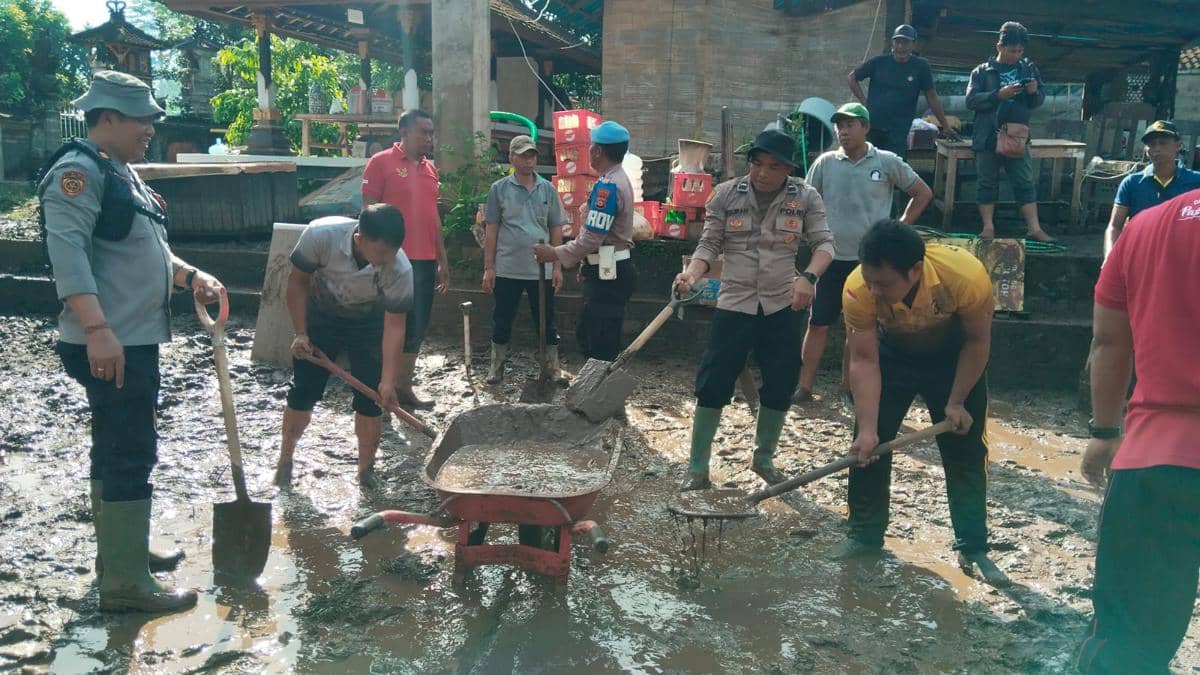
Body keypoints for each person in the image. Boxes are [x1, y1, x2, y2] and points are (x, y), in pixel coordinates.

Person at [39, 71, 225, 613]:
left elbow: (149, 248)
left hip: (131, 338)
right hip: (109, 340)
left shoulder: (119, 171)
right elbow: (67, 255)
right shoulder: (77, 173)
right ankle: (123, 582)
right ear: (109, 118)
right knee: (131, 449)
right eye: (141, 118)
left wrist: (190, 277)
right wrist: (97, 331)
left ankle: (121, 552)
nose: (150, 127)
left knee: (117, 443)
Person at [834, 220, 1008, 586]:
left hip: (953, 357)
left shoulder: (964, 275)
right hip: (892, 356)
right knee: (868, 447)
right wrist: (867, 429)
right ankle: (864, 534)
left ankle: (973, 544)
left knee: (965, 450)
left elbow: (978, 342)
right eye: (871, 282)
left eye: (884, 284)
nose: (875, 291)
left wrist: (957, 400)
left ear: (915, 270)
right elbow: (863, 360)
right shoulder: (857, 290)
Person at [1075, 188, 1200, 673]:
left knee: (1128, 640)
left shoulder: (1145, 227)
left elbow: (1108, 341)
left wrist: (1104, 430)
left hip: (1157, 458)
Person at [675, 130, 835, 490]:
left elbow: (825, 244)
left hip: (782, 303)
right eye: (758, 164)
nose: (763, 173)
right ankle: (697, 467)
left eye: (774, 166)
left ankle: (763, 459)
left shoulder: (806, 196)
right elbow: (709, 244)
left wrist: (808, 277)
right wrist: (691, 274)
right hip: (734, 303)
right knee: (713, 381)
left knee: (780, 382)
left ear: (788, 169)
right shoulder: (727, 194)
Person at [795, 102, 932, 403]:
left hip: (868, 265)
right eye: (839, 126)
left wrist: (899, 228)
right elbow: (805, 201)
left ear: (865, 128)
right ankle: (803, 386)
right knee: (817, 323)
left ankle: (850, 387)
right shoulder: (825, 163)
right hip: (829, 257)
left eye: (850, 125)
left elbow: (922, 193)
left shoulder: (886, 162)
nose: (843, 131)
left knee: (858, 327)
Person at [273, 205, 414, 489]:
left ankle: (366, 471)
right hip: (321, 315)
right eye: (381, 253)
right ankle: (285, 460)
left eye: (392, 253)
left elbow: (395, 325)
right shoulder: (320, 236)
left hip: (368, 324)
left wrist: (388, 382)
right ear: (359, 239)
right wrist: (300, 333)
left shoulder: (400, 268)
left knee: (372, 399)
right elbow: (297, 282)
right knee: (303, 391)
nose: (386, 260)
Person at [361, 108, 449, 408]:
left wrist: (442, 259)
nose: (428, 138)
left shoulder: (430, 170)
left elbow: (433, 216)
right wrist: (370, 257)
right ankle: (378, 391)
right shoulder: (381, 163)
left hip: (424, 260)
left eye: (431, 133)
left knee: (417, 325)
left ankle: (403, 388)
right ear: (404, 132)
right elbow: (368, 212)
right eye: (423, 132)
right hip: (390, 259)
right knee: (383, 325)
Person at [533, 121, 637, 362]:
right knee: (593, 332)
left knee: (600, 341)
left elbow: (592, 237)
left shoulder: (608, 188)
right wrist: (586, 263)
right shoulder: (616, 180)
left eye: (592, 147)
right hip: (605, 268)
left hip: (609, 274)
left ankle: (600, 394)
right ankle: (599, 390)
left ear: (599, 151)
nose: (589, 151)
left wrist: (555, 253)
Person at [482, 135, 569, 384]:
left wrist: (557, 266)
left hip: (540, 268)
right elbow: (492, 229)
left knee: (546, 319)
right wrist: (489, 267)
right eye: (523, 154)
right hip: (508, 266)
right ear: (511, 158)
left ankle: (551, 367)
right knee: (502, 318)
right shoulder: (499, 189)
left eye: (532, 154)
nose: (528, 159)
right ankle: (496, 366)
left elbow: (556, 229)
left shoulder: (548, 189)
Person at [965, 21, 1055, 242]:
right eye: (1012, 50)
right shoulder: (981, 71)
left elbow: (1037, 101)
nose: (1016, 54)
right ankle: (988, 227)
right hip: (987, 136)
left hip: (1018, 136)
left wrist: (1034, 92)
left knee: (1024, 181)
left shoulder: (1029, 69)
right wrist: (998, 95)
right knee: (987, 182)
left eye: (1020, 51)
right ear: (999, 47)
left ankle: (1034, 228)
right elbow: (970, 101)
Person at [848, 24, 957, 158]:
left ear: (913, 45)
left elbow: (931, 96)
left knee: (893, 169)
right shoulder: (879, 62)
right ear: (892, 43)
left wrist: (945, 126)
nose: (900, 46)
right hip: (873, 126)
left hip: (899, 130)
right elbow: (852, 78)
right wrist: (864, 102)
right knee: (868, 164)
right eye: (897, 42)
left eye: (905, 42)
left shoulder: (920, 66)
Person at [1104, 120, 1200, 259]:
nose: (1157, 148)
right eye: (1151, 144)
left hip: (1183, 257)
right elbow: (1115, 227)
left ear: (1178, 146)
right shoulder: (1132, 183)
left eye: (1163, 142)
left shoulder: (1196, 182)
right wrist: (1110, 257)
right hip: (1141, 255)